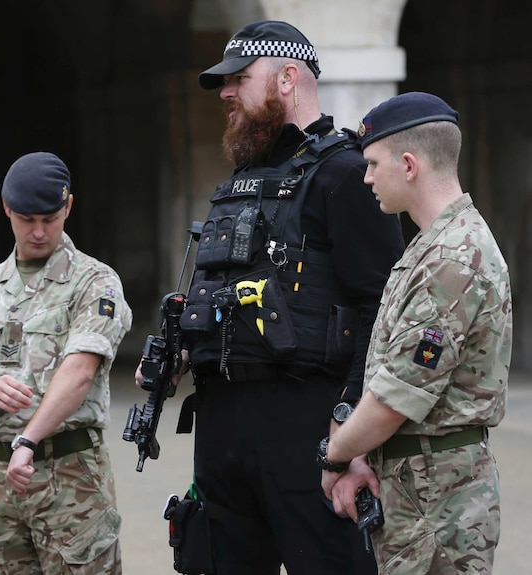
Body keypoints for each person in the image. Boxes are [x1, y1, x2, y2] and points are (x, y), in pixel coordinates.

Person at [171, 20, 406, 574]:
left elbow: (383, 312)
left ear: (287, 79)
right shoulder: (241, 180)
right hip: (224, 426)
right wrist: (187, 346)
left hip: (308, 425)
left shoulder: (347, 174)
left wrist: (350, 437)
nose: (225, 93)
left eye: (239, 79)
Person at [320, 92, 511, 574]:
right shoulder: (433, 245)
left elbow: (394, 399)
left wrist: (335, 456)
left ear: (408, 165)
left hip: (437, 503)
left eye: (371, 164)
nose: (365, 178)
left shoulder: (451, 258)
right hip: (420, 488)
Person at [0, 151, 132, 574]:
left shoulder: (95, 282)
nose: (39, 232)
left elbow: (80, 370)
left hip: (71, 477)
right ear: (7, 209)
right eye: (27, 219)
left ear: (68, 207)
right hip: (0, 481)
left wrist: (28, 440)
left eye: (51, 218)